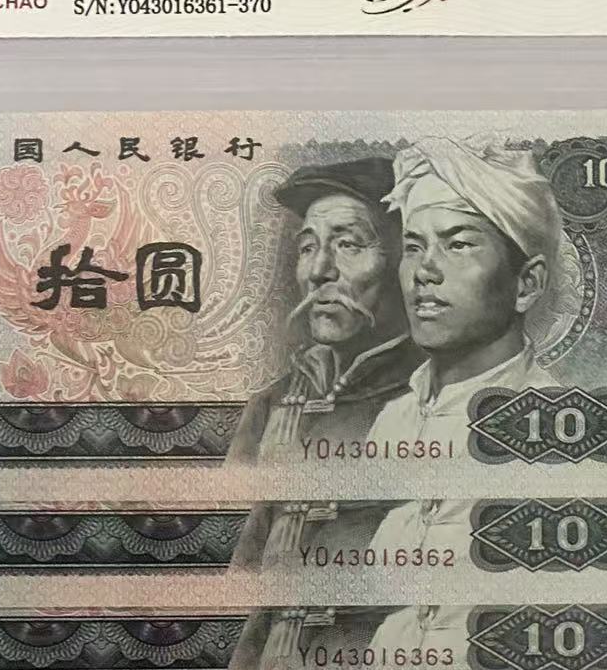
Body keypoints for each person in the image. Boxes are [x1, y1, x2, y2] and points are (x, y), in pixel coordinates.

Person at [370, 136, 571, 445]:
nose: (423, 271)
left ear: (527, 283)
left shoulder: (550, 425)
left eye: (458, 245)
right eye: (413, 247)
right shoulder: (392, 420)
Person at [235, 158, 416, 457]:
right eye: (308, 248)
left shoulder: (435, 394)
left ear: (404, 259)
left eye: (348, 245)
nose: (318, 271)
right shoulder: (270, 403)